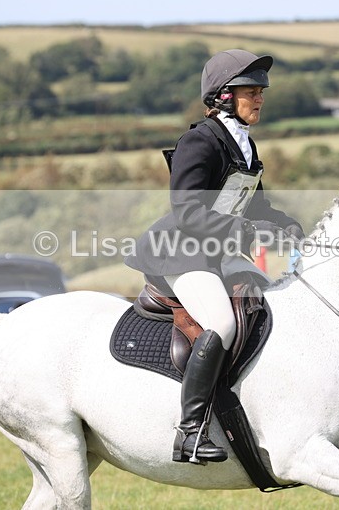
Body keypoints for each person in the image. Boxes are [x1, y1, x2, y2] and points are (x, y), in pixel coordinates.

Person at [125, 49, 304, 464]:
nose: (260, 97)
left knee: (270, 302)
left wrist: (290, 226)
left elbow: (256, 208)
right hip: (181, 253)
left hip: (216, 254)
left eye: (261, 91)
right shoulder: (199, 141)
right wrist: (247, 232)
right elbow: (187, 211)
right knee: (222, 322)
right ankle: (189, 432)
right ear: (224, 96)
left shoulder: (244, 145)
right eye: (251, 91)